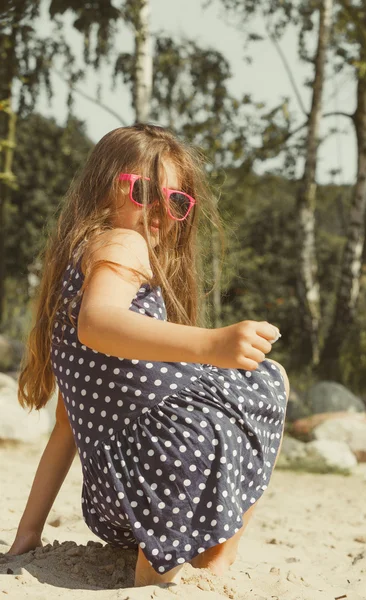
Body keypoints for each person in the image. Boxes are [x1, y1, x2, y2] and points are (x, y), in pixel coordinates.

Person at [7, 123, 290, 587]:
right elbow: (98, 324)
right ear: (103, 190)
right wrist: (213, 343)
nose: (159, 209)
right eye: (143, 192)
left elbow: (67, 425)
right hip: (168, 467)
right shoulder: (122, 242)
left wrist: (28, 533)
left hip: (113, 496)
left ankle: (185, 567)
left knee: (246, 387)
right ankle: (212, 566)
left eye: (175, 201)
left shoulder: (77, 264)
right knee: (268, 381)